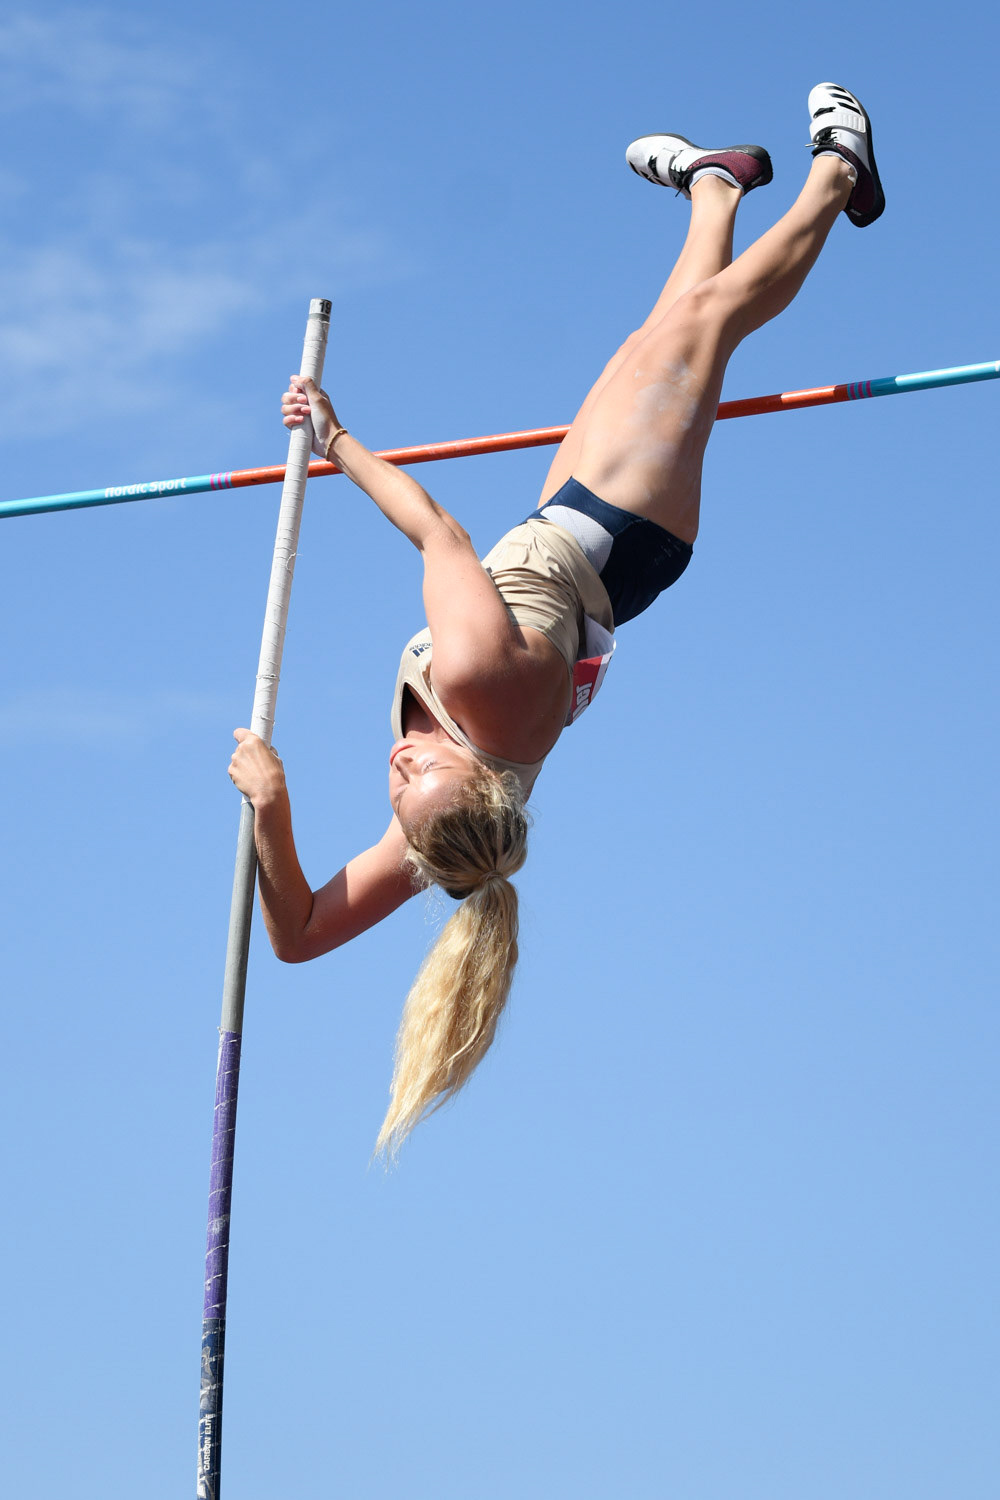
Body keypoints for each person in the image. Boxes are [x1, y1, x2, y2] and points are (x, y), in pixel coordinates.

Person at [229, 83, 884, 1155]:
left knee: (659, 334)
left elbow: (298, 937)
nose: (398, 776)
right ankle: (840, 172)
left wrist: (273, 811)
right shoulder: (480, 692)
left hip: (561, 531)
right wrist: (338, 438)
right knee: (705, 330)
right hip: (621, 529)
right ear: (474, 781)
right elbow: (438, 533)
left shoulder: (446, 843)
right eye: (418, 779)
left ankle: (715, 186)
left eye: (400, 792)